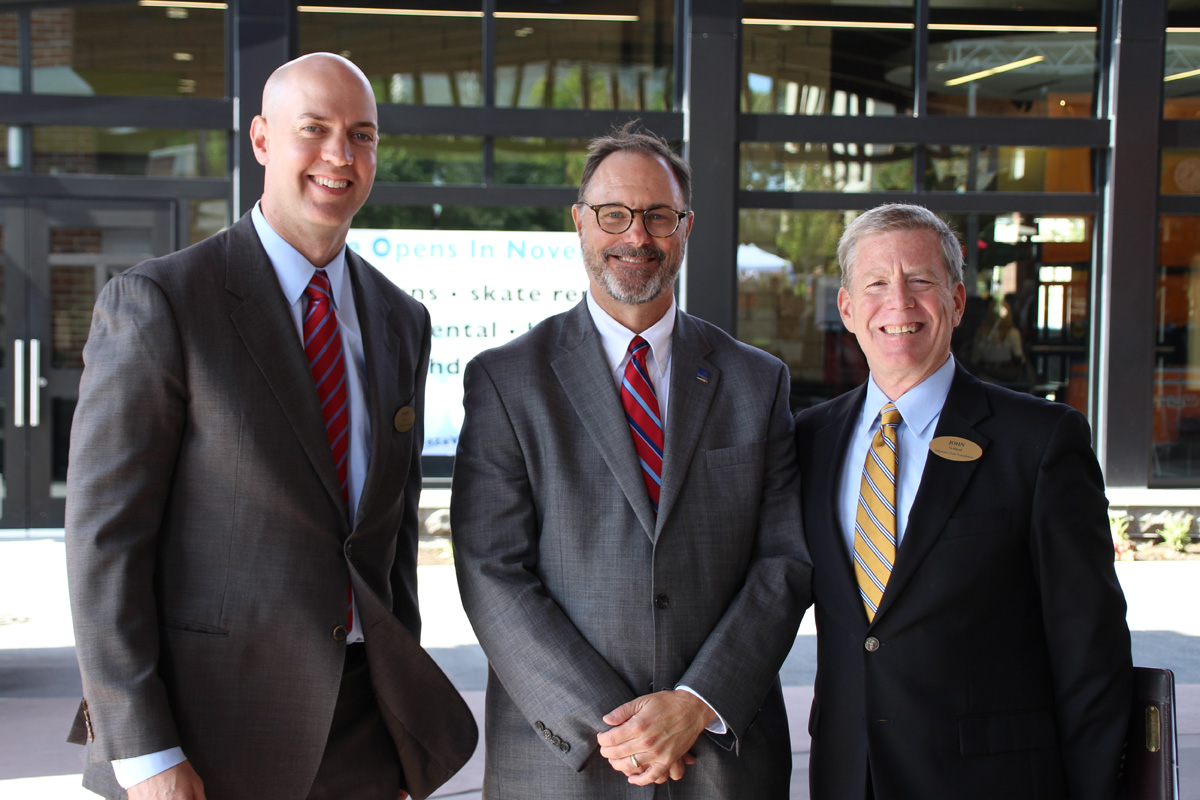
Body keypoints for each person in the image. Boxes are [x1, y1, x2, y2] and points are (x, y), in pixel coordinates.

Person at [64, 53, 476, 800]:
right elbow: (104, 542)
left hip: (363, 733)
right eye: (313, 130)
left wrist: (402, 718)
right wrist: (146, 753)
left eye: (362, 136)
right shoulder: (162, 301)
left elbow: (391, 542)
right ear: (261, 139)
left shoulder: (399, 320)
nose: (339, 156)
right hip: (209, 735)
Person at [449, 123, 812, 798]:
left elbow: (784, 562)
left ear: (686, 226)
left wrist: (699, 700)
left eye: (657, 216)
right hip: (566, 762)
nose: (636, 237)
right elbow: (490, 570)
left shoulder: (757, 382)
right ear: (579, 223)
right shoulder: (507, 380)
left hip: (720, 759)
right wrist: (621, 731)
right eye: (613, 214)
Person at [793, 203, 1132, 800]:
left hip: (993, 780)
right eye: (875, 283)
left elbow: (1091, 655)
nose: (898, 301)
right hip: (850, 777)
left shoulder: (1041, 441)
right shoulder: (810, 440)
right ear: (847, 308)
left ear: (955, 300)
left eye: (919, 280)